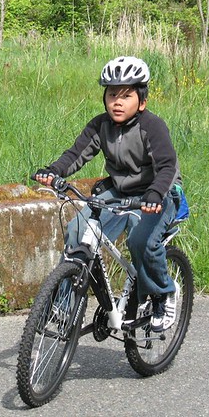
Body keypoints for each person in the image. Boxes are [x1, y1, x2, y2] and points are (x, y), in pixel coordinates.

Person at [34, 56, 187, 332]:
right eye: (112, 94)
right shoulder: (100, 125)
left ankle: (163, 294)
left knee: (141, 241)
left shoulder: (152, 126)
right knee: (77, 231)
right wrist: (54, 171)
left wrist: (155, 193)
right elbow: (76, 154)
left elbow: (166, 166)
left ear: (142, 101)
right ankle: (64, 307)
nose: (117, 102)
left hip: (158, 194)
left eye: (126, 96)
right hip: (119, 192)